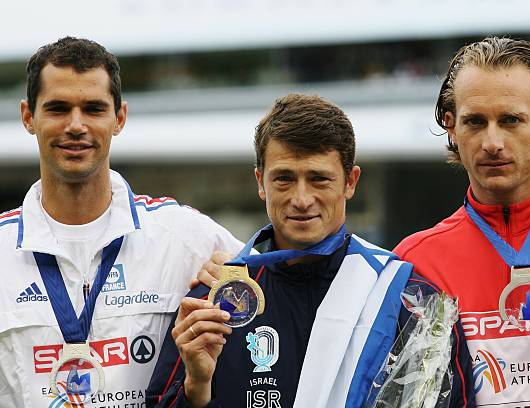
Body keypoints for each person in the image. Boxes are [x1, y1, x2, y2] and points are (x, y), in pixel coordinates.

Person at [146, 94, 475, 407]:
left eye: (319, 179)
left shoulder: (411, 302)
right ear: (260, 182)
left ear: (350, 182)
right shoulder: (217, 299)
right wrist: (196, 387)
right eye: (284, 179)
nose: (301, 199)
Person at [0, 37, 242, 408]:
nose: (76, 125)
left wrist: (242, 280)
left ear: (120, 118)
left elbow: (283, 293)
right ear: (28, 116)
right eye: (58, 108)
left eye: (94, 109)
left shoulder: (186, 237)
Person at [393, 37, 530, 407]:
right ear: (451, 127)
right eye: (475, 122)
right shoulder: (414, 264)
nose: (492, 142)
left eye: (510, 120)